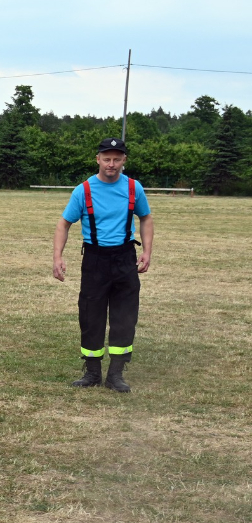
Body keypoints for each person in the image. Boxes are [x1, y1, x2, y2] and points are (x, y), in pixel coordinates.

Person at [53, 138, 153, 392]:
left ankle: (116, 374)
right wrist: (57, 256)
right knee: (91, 315)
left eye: (117, 159)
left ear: (124, 161)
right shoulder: (83, 190)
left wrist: (147, 252)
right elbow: (64, 224)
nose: (112, 164)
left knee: (124, 316)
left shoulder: (133, 188)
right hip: (95, 260)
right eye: (107, 159)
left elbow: (146, 218)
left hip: (125, 258)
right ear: (98, 159)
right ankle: (92, 373)